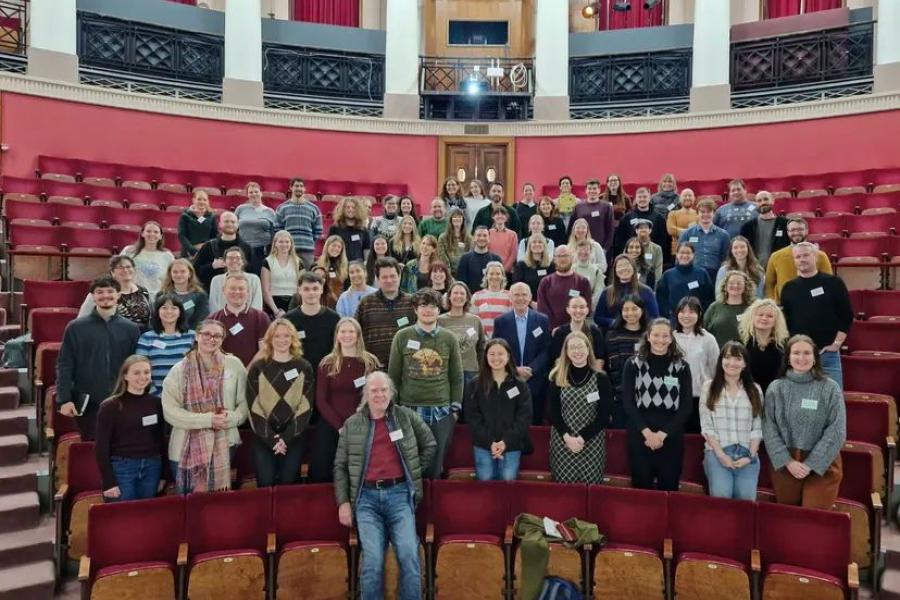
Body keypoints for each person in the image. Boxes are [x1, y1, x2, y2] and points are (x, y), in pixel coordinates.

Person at [334, 371, 436, 600]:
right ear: (366, 394)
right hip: (366, 500)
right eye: (374, 390)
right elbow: (340, 466)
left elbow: (429, 443)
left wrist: (412, 469)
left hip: (400, 496)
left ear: (391, 392)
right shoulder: (352, 424)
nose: (379, 395)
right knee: (373, 561)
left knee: (409, 554)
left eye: (384, 390)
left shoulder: (405, 417)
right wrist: (343, 503)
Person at [162, 319, 248, 493]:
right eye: (206, 334)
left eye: (217, 335)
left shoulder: (234, 364)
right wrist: (209, 420)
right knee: (188, 506)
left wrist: (231, 418)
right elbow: (170, 412)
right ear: (197, 336)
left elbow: (245, 403)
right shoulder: (179, 370)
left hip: (224, 443)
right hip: (184, 447)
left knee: (215, 506)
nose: (212, 339)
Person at [763, 334, 846, 509]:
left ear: (815, 358)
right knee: (791, 520)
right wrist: (788, 461)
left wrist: (812, 463)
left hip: (824, 464)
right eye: (796, 353)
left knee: (812, 520)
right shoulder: (776, 388)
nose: (801, 358)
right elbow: (769, 428)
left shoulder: (830, 388)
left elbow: (837, 429)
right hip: (786, 465)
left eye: (807, 353)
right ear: (788, 358)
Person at [388, 289, 463, 479]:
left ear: (439, 310)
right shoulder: (402, 336)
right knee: (408, 462)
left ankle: (433, 506)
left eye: (433, 306)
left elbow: (457, 376)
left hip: (441, 411)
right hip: (408, 409)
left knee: (436, 467)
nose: (428, 310)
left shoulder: (449, 338)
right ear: (415, 309)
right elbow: (393, 376)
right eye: (423, 305)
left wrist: (455, 408)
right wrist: (394, 408)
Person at [622, 318, 693, 491]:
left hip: (670, 436)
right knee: (641, 490)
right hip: (641, 435)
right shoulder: (633, 364)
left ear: (671, 338)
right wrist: (647, 434)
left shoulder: (682, 367)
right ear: (648, 336)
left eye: (664, 336)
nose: (660, 340)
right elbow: (628, 403)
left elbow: (686, 407)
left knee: (668, 489)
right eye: (655, 335)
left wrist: (661, 435)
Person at [246, 319, 313, 487]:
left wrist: (285, 438)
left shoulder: (304, 367)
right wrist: (273, 439)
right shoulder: (258, 368)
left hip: (294, 436)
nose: (282, 340)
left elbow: (306, 407)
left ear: (293, 338)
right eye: (277, 336)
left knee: (289, 482)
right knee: (266, 482)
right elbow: (253, 408)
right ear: (270, 339)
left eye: (286, 336)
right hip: (264, 436)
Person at [780, 242, 853, 387]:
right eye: (798, 256)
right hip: (799, 356)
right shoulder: (788, 288)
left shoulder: (834, 283)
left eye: (806, 255)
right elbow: (785, 322)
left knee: (832, 400)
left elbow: (846, 315)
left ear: (815, 257)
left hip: (827, 355)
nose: (802, 259)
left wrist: (837, 343)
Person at [94, 355, 165, 502]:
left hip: (152, 466)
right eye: (137, 373)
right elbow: (101, 446)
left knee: (146, 516)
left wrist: (164, 475)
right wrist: (108, 482)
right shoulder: (110, 406)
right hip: (122, 468)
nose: (143, 377)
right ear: (125, 375)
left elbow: (161, 440)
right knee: (123, 518)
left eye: (146, 372)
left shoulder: (156, 403)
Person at [699, 342, 763, 501]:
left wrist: (750, 456)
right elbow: (707, 427)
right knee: (722, 498)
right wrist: (721, 455)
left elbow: (757, 428)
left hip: (747, 453)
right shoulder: (709, 387)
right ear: (721, 361)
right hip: (718, 452)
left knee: (746, 501)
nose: (732, 363)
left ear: (745, 364)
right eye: (727, 358)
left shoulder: (755, 390)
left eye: (737, 359)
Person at [548, 331, 613, 483]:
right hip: (563, 441)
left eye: (580, 347)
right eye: (572, 348)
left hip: (591, 442)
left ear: (588, 349)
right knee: (565, 491)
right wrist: (567, 438)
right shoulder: (557, 377)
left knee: (590, 490)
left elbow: (604, 415)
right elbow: (553, 412)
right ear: (566, 352)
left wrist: (582, 438)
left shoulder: (601, 378)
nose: (577, 351)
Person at [465, 339, 532, 480]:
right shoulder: (474, 385)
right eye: (492, 354)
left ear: (508, 356)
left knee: (508, 480)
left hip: (512, 444)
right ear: (486, 356)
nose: (496, 358)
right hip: (483, 444)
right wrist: (490, 442)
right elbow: (472, 417)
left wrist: (504, 442)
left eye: (500, 354)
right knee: (485, 479)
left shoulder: (520, 385)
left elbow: (524, 417)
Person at [493, 283, 552, 424]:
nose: (520, 298)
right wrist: (514, 369)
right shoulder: (501, 322)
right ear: (510, 297)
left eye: (524, 294)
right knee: (509, 422)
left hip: (535, 381)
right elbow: (497, 351)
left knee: (534, 423)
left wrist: (531, 369)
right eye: (517, 295)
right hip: (509, 379)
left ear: (530, 297)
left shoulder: (542, 320)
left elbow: (546, 350)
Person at [356, 257, 416, 368]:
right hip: (374, 368)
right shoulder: (366, 303)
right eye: (384, 277)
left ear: (399, 276)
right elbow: (357, 335)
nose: (389, 280)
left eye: (392, 276)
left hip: (406, 368)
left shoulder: (412, 302)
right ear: (378, 280)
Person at [672, 296, 719, 434]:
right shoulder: (670, 337)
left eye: (691, 311)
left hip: (701, 398)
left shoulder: (708, 339)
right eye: (682, 311)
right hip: (675, 398)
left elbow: (715, 369)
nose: (686, 315)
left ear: (699, 314)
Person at [284, 271, 342, 375]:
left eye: (315, 288)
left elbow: (338, 349)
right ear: (299, 291)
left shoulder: (334, 318)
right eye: (306, 289)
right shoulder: (288, 320)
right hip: (298, 375)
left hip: (327, 373)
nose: (311, 293)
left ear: (321, 290)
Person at [208, 273, 272, 367]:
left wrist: (246, 372)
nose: (237, 292)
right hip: (223, 375)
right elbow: (210, 351)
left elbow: (264, 349)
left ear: (248, 292)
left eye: (241, 289)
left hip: (252, 375)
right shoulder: (213, 320)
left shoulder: (261, 317)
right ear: (224, 290)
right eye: (232, 288)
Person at [136, 294, 196, 393]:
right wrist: (156, 395)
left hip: (188, 396)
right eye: (164, 308)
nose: (169, 311)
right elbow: (140, 369)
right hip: (156, 397)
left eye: (174, 308)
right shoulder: (146, 338)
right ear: (157, 312)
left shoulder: (192, 336)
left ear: (180, 312)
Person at [764, 218, 834, 302]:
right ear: (787, 232)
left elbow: (829, 283)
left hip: (814, 303)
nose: (796, 233)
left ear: (807, 231)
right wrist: (773, 302)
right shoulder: (776, 256)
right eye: (792, 230)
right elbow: (769, 283)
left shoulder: (820, 255)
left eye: (800, 229)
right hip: (784, 306)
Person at [606, 295, 648, 428]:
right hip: (620, 397)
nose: (630, 313)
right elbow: (609, 369)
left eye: (634, 309)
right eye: (626, 309)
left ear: (642, 310)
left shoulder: (650, 335)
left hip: (647, 397)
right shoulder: (612, 335)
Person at [79, 255, 152, 330]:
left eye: (128, 267)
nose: (125, 270)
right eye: (120, 267)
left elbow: (151, 319)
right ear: (112, 272)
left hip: (143, 338)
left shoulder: (143, 291)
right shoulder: (101, 294)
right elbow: (81, 320)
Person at [438, 282, 486, 389]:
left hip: (471, 373)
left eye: (462, 293)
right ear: (449, 296)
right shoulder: (439, 321)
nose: (458, 296)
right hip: (447, 373)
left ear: (467, 297)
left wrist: (482, 371)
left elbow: (481, 348)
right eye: (455, 293)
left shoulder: (475, 320)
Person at [192, 211, 254, 291]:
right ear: (220, 224)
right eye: (226, 221)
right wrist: (212, 266)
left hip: (238, 292)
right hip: (212, 291)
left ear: (238, 225)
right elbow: (194, 271)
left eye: (233, 222)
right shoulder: (208, 246)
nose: (230, 224)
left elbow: (252, 272)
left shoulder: (246, 248)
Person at [594, 255, 660, 329]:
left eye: (626, 265)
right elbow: (597, 317)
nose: (623, 268)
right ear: (615, 270)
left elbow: (654, 317)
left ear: (633, 268)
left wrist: (636, 324)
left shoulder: (646, 291)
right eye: (619, 266)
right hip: (612, 335)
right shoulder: (607, 291)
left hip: (639, 334)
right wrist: (615, 323)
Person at [536, 245, 593, 330]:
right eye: (559, 256)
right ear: (554, 259)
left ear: (572, 257)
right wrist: (555, 328)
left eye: (565, 255)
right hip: (552, 331)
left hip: (576, 331)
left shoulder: (582, 282)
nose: (562, 259)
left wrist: (569, 328)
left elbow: (586, 309)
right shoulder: (546, 282)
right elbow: (542, 309)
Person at [739, 298, 789, 393]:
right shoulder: (741, 344)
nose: (764, 318)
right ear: (752, 318)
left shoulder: (783, 346)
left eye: (770, 316)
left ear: (776, 321)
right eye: (760, 315)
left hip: (775, 396)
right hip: (748, 395)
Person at [656, 243, 715, 319]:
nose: (685, 255)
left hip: (697, 317)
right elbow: (661, 298)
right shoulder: (667, 275)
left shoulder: (702, 273)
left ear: (693, 255)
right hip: (674, 318)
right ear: (677, 254)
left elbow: (709, 297)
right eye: (682, 253)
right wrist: (668, 313)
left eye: (688, 253)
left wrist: (701, 313)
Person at [612, 187, 670, 264]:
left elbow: (664, 241)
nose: (642, 199)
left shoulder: (659, 218)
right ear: (636, 199)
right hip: (631, 259)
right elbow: (620, 241)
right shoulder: (627, 218)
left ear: (649, 198)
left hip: (652, 259)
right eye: (639, 197)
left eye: (645, 197)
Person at [275, 177, 324, 268]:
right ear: (291, 187)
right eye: (296, 186)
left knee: (307, 278)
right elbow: (278, 230)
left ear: (305, 189)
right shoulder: (282, 208)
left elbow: (318, 230)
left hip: (307, 251)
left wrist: (307, 240)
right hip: (287, 250)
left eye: (301, 186)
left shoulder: (314, 209)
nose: (299, 188)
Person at [678, 199, 730, 281]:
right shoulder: (687, 234)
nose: (705, 214)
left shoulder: (724, 235)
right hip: (692, 274)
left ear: (714, 214)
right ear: (697, 214)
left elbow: (726, 259)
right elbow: (679, 257)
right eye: (702, 212)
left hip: (715, 276)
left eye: (709, 212)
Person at [550, 294, 605, 372]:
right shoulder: (560, 333)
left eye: (582, 307)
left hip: (590, 376)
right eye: (574, 307)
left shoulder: (595, 331)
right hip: (566, 375)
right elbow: (557, 360)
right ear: (568, 310)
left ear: (587, 310)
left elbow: (600, 360)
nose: (578, 310)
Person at [121, 221, 175, 297]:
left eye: (156, 232)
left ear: (160, 236)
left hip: (158, 298)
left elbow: (172, 280)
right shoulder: (128, 252)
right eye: (148, 231)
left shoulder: (167, 256)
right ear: (142, 233)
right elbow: (117, 272)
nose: (152, 234)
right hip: (133, 296)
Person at [235, 181, 277, 274]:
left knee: (258, 276)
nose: (254, 194)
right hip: (243, 249)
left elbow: (274, 233)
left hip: (262, 250)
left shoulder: (270, 212)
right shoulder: (240, 209)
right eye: (251, 192)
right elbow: (234, 227)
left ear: (261, 193)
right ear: (247, 195)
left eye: (256, 191)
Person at [740, 191, 789, 269]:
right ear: (756, 204)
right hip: (754, 270)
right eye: (759, 201)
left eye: (766, 199)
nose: (763, 203)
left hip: (779, 268)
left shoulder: (785, 224)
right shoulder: (747, 227)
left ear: (773, 201)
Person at [704, 270, 754, 347]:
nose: (735, 285)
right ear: (725, 286)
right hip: (718, 354)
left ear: (746, 286)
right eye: (731, 283)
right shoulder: (714, 307)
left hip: (745, 356)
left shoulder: (753, 308)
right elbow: (703, 331)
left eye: (739, 283)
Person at [157, 259, 210, 329]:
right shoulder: (162, 295)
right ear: (170, 274)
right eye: (175, 272)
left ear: (190, 274)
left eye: (183, 271)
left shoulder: (200, 296)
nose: (179, 275)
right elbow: (156, 319)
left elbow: (200, 321)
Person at [208, 247, 263, 313]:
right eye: (230, 258)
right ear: (224, 262)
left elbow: (257, 303)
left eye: (238, 258)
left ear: (243, 261)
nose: (234, 260)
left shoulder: (254, 279)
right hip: (222, 320)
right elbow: (213, 305)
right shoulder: (216, 280)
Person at [567, 178, 615, 254]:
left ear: (599, 190)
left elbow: (611, 230)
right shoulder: (578, 207)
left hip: (601, 248)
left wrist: (605, 248)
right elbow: (571, 228)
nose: (592, 191)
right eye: (589, 188)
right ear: (586, 190)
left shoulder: (607, 207)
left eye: (594, 188)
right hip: (581, 249)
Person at [261, 230, 303, 318]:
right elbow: (266, 291)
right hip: (274, 304)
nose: (284, 244)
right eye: (281, 242)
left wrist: (293, 311)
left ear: (291, 244)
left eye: (287, 242)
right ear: (275, 243)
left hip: (295, 304)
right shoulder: (268, 261)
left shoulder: (298, 262)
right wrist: (276, 311)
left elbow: (302, 287)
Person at [456, 226, 502, 294]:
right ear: (474, 238)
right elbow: (461, 284)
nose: (482, 238)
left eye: (485, 236)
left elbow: (500, 282)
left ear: (489, 238)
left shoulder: (496, 259)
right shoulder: (465, 259)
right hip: (471, 299)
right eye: (479, 235)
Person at [471, 261, 511, 339]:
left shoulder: (509, 296)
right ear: (486, 276)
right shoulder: (477, 296)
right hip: (482, 340)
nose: (494, 276)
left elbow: (511, 321)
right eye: (491, 274)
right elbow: (473, 321)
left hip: (503, 340)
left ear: (503, 276)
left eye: (498, 274)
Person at [327, 196, 370, 262]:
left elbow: (366, 249)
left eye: (353, 208)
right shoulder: (334, 228)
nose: (350, 209)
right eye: (347, 207)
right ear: (342, 210)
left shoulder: (363, 230)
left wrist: (366, 263)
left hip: (357, 267)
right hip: (339, 265)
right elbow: (328, 248)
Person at [513, 234, 554, 301]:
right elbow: (517, 287)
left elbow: (553, 288)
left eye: (540, 242)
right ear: (529, 246)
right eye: (534, 242)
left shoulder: (551, 266)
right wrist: (530, 302)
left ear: (544, 246)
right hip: (526, 303)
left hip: (547, 304)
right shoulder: (521, 266)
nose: (537, 244)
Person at [177, 190, 217, 258]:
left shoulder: (211, 216)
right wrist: (192, 250)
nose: (202, 202)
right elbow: (182, 235)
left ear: (208, 202)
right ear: (193, 200)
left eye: (204, 200)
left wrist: (204, 246)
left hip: (206, 252)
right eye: (199, 199)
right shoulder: (185, 215)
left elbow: (214, 236)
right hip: (188, 253)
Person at [318, 235, 350, 309]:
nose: (336, 248)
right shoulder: (318, 264)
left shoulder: (346, 267)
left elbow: (347, 288)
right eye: (333, 245)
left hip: (339, 303)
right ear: (327, 246)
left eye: (339, 247)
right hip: (322, 303)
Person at [437, 207, 471, 276]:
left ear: (463, 220)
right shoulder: (443, 237)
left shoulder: (469, 238)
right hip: (448, 272)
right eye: (455, 217)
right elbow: (442, 256)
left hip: (464, 272)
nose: (457, 219)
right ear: (451, 220)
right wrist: (448, 273)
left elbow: (469, 256)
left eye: (459, 217)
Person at [573, 239, 606, 309]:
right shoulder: (571, 270)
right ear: (576, 251)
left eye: (586, 250)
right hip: (573, 308)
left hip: (590, 308)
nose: (583, 252)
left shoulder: (597, 271)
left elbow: (598, 292)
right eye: (580, 250)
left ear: (590, 252)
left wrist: (586, 306)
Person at [666, 188, 699, 256]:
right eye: (685, 196)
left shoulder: (698, 214)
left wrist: (680, 231)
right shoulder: (672, 214)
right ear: (680, 199)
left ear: (694, 198)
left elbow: (700, 232)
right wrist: (690, 232)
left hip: (695, 251)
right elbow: (671, 230)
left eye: (690, 196)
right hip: (677, 251)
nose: (687, 198)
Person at [488, 206, 518, 273]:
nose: (500, 216)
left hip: (507, 272)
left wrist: (504, 270)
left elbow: (513, 254)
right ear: (493, 217)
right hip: (491, 271)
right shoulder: (488, 233)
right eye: (497, 214)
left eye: (502, 214)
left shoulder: (513, 235)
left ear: (506, 217)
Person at [634, 221, 663, 285]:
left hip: (649, 281)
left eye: (646, 227)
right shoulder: (630, 246)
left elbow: (658, 268)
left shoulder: (657, 248)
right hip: (632, 279)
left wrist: (657, 284)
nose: (643, 229)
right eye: (640, 228)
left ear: (650, 231)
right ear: (636, 231)